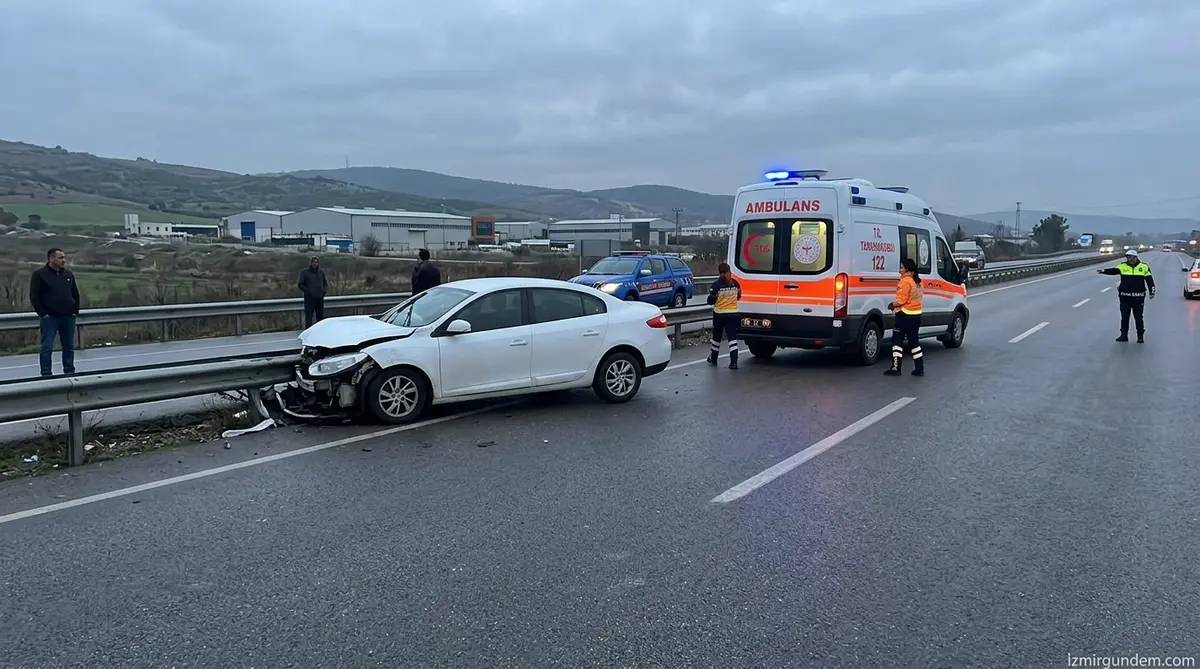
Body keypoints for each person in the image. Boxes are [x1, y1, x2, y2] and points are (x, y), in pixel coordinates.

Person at [29, 247, 80, 377]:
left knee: (69, 347)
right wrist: (43, 314)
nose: (64, 260)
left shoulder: (68, 274)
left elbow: (75, 293)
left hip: (68, 316)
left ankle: (69, 372)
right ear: (51, 258)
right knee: (47, 347)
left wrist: (75, 310)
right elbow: (34, 296)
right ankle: (46, 374)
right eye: (61, 258)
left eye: (64, 257)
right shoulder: (40, 274)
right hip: (50, 318)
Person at [1097, 248, 1155, 342]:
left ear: (1136, 257)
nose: (1130, 259)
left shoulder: (1144, 267)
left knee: (1138, 317)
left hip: (1138, 297)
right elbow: (1114, 271)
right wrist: (1103, 271)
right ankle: (1124, 335)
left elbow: (1149, 280)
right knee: (1124, 317)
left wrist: (1152, 291)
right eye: (1128, 257)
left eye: (1132, 257)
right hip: (1125, 297)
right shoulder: (1123, 266)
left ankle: (1140, 337)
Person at [885, 257, 924, 377]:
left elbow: (901, 300)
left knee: (897, 342)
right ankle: (919, 368)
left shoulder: (905, 281)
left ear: (907, 269)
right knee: (914, 343)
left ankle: (896, 368)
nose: (900, 270)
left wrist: (892, 305)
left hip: (904, 315)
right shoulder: (918, 282)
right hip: (916, 315)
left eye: (901, 267)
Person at [706, 262, 742, 369]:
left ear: (719, 272)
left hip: (719, 315)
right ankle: (733, 362)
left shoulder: (716, 285)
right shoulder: (735, 284)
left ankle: (713, 358)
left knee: (716, 338)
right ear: (729, 271)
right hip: (732, 314)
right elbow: (739, 296)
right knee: (732, 339)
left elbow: (711, 301)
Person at [298, 256, 328, 328]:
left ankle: (319, 331)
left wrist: (323, 291)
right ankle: (308, 332)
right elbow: (300, 284)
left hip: (319, 298)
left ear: (318, 263)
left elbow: (325, 283)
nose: (315, 264)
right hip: (309, 299)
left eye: (316, 262)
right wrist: (308, 291)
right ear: (311, 263)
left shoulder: (321, 272)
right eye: (313, 262)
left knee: (320, 316)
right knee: (309, 316)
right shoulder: (305, 272)